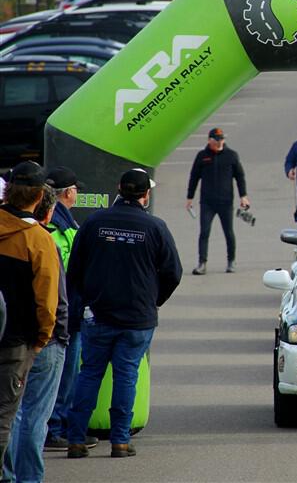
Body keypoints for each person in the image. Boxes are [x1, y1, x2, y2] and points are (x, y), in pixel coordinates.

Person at [65, 168, 181, 459]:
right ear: (146, 194)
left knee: (89, 374)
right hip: (137, 318)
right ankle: (119, 441)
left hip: (99, 314)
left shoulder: (94, 222)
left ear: (118, 188)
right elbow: (173, 272)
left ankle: (76, 439)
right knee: (126, 377)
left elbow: (74, 269)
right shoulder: (155, 227)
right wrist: (154, 300)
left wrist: (87, 299)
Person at [3, 186, 68, 483]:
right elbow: (50, 298)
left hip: (11, 336)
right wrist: (46, 336)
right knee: (32, 417)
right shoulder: (41, 241)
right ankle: (27, 479)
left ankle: (8, 473)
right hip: (34, 341)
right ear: (46, 208)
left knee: (10, 414)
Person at [42, 167, 97, 451]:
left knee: (64, 373)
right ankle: (55, 428)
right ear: (69, 192)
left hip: (64, 309)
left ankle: (57, 425)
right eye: (76, 189)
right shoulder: (56, 227)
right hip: (64, 313)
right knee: (64, 375)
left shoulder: (56, 222)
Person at [186, 128, 249, 275]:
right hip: (207, 202)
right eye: (216, 140)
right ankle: (202, 263)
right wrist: (190, 197)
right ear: (209, 140)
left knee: (228, 232)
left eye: (221, 139)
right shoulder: (202, 156)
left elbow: (240, 177)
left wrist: (243, 195)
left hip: (225, 202)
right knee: (204, 232)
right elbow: (194, 177)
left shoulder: (231, 156)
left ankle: (231, 261)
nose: (219, 142)